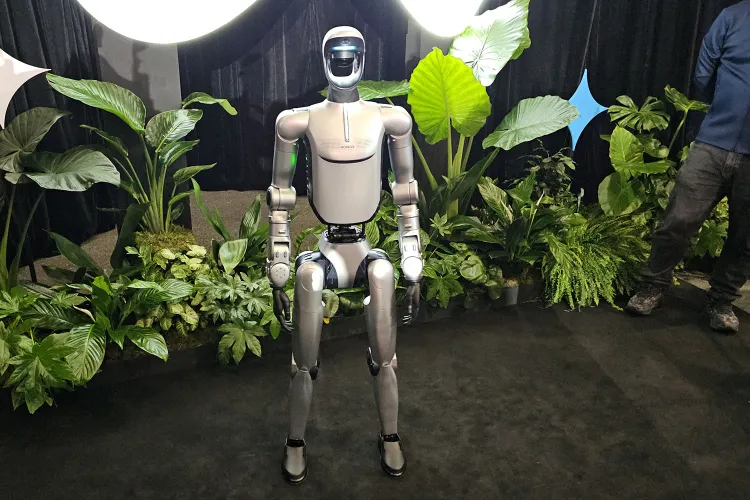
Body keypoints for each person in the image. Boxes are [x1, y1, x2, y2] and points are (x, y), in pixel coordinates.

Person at [627, 1, 750, 333]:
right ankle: (653, 285)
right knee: (679, 219)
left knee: (745, 238)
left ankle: (721, 300)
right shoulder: (734, 16)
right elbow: (704, 72)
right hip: (713, 142)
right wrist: (722, 108)